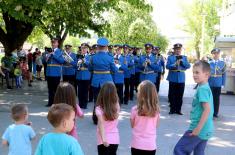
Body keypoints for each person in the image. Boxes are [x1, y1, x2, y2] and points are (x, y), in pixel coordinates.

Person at [174, 60, 214, 155]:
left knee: (179, 150)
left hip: (198, 129)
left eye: (197, 72)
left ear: (206, 75)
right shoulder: (204, 86)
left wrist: (197, 129)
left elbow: (207, 110)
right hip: (206, 129)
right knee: (199, 152)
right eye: (193, 72)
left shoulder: (202, 89)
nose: (194, 75)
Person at [88, 37, 118, 124]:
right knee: (107, 100)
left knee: (96, 100)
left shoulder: (93, 57)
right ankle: (106, 118)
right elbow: (114, 70)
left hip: (96, 81)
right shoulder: (110, 57)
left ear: (98, 46)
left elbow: (90, 69)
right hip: (107, 82)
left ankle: (95, 119)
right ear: (106, 47)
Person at [130, 80, 160, 155]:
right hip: (150, 145)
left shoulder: (134, 109)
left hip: (137, 144)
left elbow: (132, 125)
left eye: (138, 91)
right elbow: (156, 125)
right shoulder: (156, 111)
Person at [95, 82, 120, 155]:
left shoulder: (98, 109)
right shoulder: (116, 105)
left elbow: (101, 125)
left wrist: (104, 139)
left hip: (103, 140)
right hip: (115, 138)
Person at [166, 43, 191, 115]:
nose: (178, 50)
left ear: (181, 50)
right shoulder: (170, 57)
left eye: (179, 49)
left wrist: (183, 62)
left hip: (181, 78)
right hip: (173, 77)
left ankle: (178, 109)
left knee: (180, 95)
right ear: (174, 50)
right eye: (176, 49)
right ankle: (172, 109)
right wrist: (174, 64)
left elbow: (188, 66)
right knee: (172, 94)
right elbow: (167, 66)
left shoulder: (184, 57)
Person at [45, 37, 65, 107]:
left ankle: (56, 103)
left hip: (56, 73)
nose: (53, 44)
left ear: (57, 43)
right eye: (52, 42)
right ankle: (50, 102)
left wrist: (53, 54)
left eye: (54, 42)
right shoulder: (48, 51)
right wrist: (47, 56)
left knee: (56, 89)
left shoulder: (60, 51)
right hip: (49, 73)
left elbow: (62, 61)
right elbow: (44, 61)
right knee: (50, 89)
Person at [208, 48, 226, 118]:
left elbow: (224, 74)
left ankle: (215, 113)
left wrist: (223, 84)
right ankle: (209, 112)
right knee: (209, 99)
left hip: (218, 83)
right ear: (212, 54)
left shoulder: (222, 63)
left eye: (217, 53)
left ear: (219, 54)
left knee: (216, 99)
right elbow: (206, 73)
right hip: (210, 83)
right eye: (214, 53)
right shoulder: (209, 63)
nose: (216, 55)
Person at [76, 43, 91, 109]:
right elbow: (76, 66)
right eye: (82, 48)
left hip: (86, 76)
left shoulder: (89, 57)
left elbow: (90, 65)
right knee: (79, 91)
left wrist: (84, 60)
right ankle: (80, 104)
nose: (83, 49)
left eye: (85, 48)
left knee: (85, 91)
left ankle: (84, 105)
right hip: (79, 75)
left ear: (87, 49)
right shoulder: (78, 56)